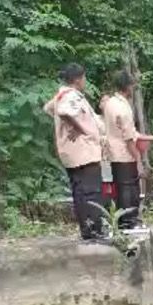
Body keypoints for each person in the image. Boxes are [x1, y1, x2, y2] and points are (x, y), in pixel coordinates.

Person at [43, 63, 105, 241]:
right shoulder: (71, 96)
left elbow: (49, 109)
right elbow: (63, 112)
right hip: (83, 153)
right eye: (84, 78)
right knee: (91, 192)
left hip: (73, 153)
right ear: (78, 79)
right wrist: (79, 128)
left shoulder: (61, 95)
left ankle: (88, 230)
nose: (85, 81)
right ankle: (95, 230)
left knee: (80, 193)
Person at [100, 70, 153, 230]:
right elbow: (129, 139)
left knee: (121, 187)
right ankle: (129, 222)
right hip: (124, 154)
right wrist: (138, 161)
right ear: (127, 86)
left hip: (113, 153)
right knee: (129, 188)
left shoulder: (109, 103)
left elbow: (130, 133)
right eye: (132, 86)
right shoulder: (124, 109)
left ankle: (123, 221)